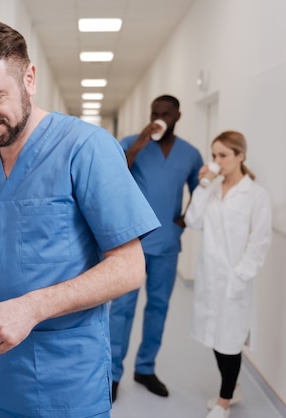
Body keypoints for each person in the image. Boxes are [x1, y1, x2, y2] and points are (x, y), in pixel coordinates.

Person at [0, 19, 160, 418]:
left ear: (29, 78)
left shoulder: (87, 149)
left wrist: (32, 307)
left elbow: (130, 268)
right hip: (0, 375)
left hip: (70, 378)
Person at [109, 95, 203, 400]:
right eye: (155, 112)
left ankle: (145, 368)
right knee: (121, 309)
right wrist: (139, 145)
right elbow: (112, 174)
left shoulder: (190, 154)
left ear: (178, 116)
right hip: (131, 243)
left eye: (165, 113)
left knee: (158, 307)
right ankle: (111, 373)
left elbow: (201, 192)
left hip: (167, 245)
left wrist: (184, 221)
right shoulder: (131, 142)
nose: (159, 117)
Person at [184, 131, 272, 418]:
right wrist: (203, 185)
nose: (217, 161)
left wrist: (241, 275)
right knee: (215, 336)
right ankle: (232, 388)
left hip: (235, 279)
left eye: (223, 155)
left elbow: (259, 241)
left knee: (229, 341)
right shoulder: (212, 188)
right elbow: (193, 220)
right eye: (214, 155)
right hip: (210, 276)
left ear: (240, 156)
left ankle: (224, 402)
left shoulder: (255, 195)